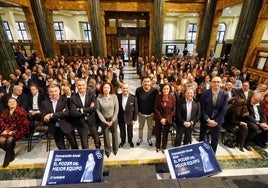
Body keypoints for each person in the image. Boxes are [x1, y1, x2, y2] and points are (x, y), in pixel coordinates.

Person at [41, 84, 78, 150]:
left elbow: (66, 113)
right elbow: (44, 116)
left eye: (55, 91)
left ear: (59, 91)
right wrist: (60, 113)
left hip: (67, 126)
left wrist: (51, 115)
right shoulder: (44, 103)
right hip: (54, 127)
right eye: (51, 91)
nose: (53, 93)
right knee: (61, 147)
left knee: (74, 145)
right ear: (48, 92)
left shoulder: (66, 100)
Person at [199, 76, 228, 153]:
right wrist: (208, 120)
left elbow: (224, 110)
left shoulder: (225, 94)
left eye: (218, 82)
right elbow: (202, 108)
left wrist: (215, 121)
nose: (216, 83)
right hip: (206, 120)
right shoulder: (205, 93)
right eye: (214, 82)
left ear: (221, 83)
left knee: (215, 140)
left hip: (217, 121)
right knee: (202, 138)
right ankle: (200, 153)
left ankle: (212, 154)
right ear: (211, 83)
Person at [69, 78, 101, 149]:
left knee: (96, 139)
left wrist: (80, 110)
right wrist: (88, 110)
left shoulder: (92, 94)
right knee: (84, 143)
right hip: (81, 123)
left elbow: (94, 107)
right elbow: (73, 112)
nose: (81, 87)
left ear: (86, 85)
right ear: (76, 86)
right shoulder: (73, 98)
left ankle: (98, 152)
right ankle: (86, 154)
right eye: (79, 85)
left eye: (83, 85)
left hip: (92, 122)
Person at [0, 97, 29, 168]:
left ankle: (7, 159)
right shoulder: (5, 112)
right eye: (10, 102)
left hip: (19, 129)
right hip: (8, 130)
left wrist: (12, 131)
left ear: (16, 103)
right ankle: (11, 153)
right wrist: (6, 130)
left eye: (14, 101)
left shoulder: (21, 110)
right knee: (1, 140)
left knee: (9, 140)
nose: (12, 103)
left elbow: (21, 123)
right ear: (7, 104)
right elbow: (1, 122)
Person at [96, 82, 119, 157]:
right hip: (104, 119)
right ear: (102, 89)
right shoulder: (99, 98)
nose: (106, 89)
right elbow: (98, 111)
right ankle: (107, 150)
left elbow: (116, 109)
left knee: (114, 134)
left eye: (108, 87)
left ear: (110, 88)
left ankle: (115, 149)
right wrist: (104, 121)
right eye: (105, 87)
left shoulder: (114, 96)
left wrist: (112, 120)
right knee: (106, 135)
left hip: (113, 118)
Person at [135, 75, 158, 146]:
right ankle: (140, 138)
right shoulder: (138, 90)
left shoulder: (154, 90)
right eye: (145, 81)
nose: (146, 83)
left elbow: (156, 102)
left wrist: (153, 112)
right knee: (140, 127)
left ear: (150, 82)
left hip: (150, 114)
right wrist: (138, 112)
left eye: (148, 81)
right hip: (141, 113)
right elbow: (136, 102)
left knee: (150, 127)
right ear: (142, 82)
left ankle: (149, 138)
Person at [154, 84, 176, 152]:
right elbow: (155, 108)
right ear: (162, 89)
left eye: (167, 89)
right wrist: (161, 118)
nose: (166, 90)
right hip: (159, 118)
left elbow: (173, 109)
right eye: (164, 89)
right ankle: (157, 146)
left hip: (168, 119)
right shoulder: (158, 97)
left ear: (169, 90)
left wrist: (166, 119)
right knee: (158, 133)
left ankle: (164, 147)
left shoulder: (172, 97)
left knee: (165, 134)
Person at [117, 83, 138, 148]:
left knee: (130, 131)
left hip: (130, 117)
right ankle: (122, 141)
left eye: (126, 88)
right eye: (123, 88)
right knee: (122, 131)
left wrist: (134, 119)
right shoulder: (117, 96)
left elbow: (136, 109)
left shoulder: (133, 97)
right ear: (121, 89)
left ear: (129, 89)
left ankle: (130, 141)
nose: (125, 89)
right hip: (120, 117)